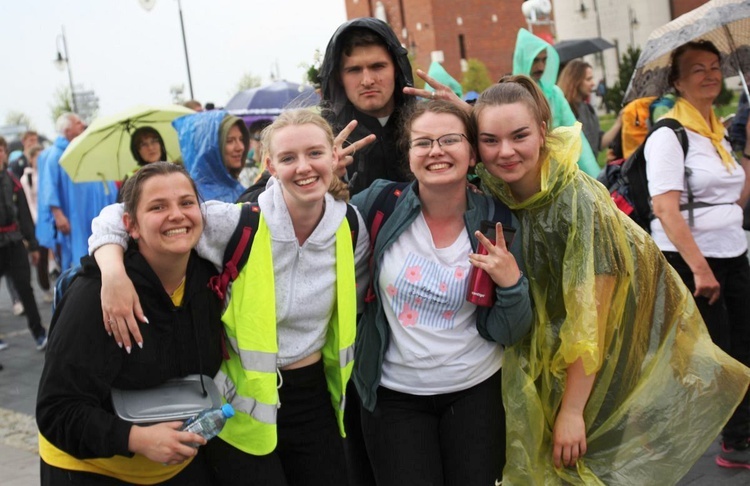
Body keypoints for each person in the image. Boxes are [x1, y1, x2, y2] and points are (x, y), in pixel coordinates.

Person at [473, 75, 750, 484]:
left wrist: (572, 410)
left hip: (595, 374)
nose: (505, 151)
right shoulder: (495, 189)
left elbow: (593, 321)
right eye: (490, 140)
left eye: (519, 136)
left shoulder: (579, 202)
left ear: (544, 132)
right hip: (535, 365)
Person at [88, 109, 369, 486]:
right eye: (288, 158)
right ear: (269, 164)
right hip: (239, 410)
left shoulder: (351, 226)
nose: (303, 167)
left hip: (317, 402)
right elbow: (116, 215)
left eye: (315, 153)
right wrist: (113, 273)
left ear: (335, 157)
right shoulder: (238, 222)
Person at [350, 99, 532, 486]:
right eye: (423, 142)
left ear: (471, 154)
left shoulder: (497, 220)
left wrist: (511, 283)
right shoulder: (378, 204)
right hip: (393, 396)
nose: (436, 151)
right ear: (410, 154)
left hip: (475, 394)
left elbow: (509, 331)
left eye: (449, 139)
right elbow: (317, 229)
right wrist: (321, 179)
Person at [36, 162, 223, 485]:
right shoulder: (95, 295)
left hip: (175, 462)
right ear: (130, 226)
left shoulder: (210, 279)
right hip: (93, 468)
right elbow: (56, 411)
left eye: (186, 203)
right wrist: (137, 439)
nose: (176, 215)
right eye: (158, 207)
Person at [643, 41, 750, 469]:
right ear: (677, 81)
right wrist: (701, 270)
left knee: (741, 346)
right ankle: (721, 442)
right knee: (711, 355)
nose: (710, 75)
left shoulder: (716, 133)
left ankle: (737, 434)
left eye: (714, 67)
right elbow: (665, 209)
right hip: (694, 262)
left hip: (732, 252)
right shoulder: (670, 135)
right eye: (697, 69)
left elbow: (737, 202)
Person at [319, 17, 415, 195]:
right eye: (354, 70)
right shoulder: (319, 135)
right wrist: (319, 175)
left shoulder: (425, 125)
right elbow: (259, 196)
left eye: (378, 66)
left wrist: (471, 119)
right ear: (339, 77)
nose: (367, 81)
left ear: (396, 69)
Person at [512, 28, 600, 177]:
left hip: (557, 173)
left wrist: (597, 178)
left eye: (544, 59)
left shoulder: (554, 94)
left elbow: (576, 137)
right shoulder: (508, 98)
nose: (540, 66)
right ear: (523, 59)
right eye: (535, 60)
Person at [36, 112, 118, 270]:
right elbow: (49, 187)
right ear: (67, 131)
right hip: (72, 216)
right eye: (78, 123)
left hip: (88, 211)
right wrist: (58, 215)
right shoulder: (56, 155)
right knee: (76, 254)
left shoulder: (81, 149)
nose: (83, 125)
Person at [0, 136, 47, 350]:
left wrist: (33, 244)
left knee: (25, 288)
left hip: (15, 241)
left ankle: (38, 332)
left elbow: (25, 216)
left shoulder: (13, 180)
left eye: (0, 150)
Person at [175, 110, 249, 203]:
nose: (241, 147)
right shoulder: (194, 199)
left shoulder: (237, 188)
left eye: (241, 139)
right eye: (230, 141)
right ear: (208, 148)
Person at [557, 60, 621, 156]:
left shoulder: (588, 109)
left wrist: (619, 122)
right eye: (588, 79)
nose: (593, 83)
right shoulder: (564, 111)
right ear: (575, 81)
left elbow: (598, 143)